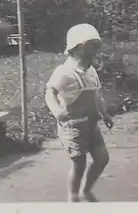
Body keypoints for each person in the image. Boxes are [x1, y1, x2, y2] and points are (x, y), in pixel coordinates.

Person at [45, 24, 113, 202]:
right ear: (77, 47)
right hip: (72, 126)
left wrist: (105, 114)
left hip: (91, 124)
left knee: (102, 158)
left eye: (97, 45)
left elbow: (96, 94)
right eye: (92, 45)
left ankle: (86, 189)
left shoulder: (91, 71)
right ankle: (73, 197)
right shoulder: (64, 72)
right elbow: (50, 92)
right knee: (79, 164)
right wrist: (57, 110)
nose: (96, 49)